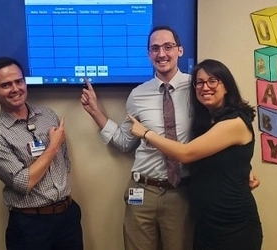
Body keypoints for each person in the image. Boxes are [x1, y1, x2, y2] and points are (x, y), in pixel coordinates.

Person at [128, 59, 263, 250]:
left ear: (226, 86)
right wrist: (245, 169)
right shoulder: (207, 123)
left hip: (233, 224)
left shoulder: (234, 123)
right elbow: (228, 159)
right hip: (206, 224)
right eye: (199, 82)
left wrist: (145, 133)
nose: (205, 87)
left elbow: (185, 153)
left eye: (213, 81)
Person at [81, 25, 194, 250]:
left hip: (181, 192)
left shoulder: (196, 88)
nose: (162, 54)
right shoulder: (138, 94)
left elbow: (213, 133)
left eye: (168, 47)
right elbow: (124, 142)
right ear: (148, 54)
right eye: (155, 48)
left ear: (180, 50)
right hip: (142, 191)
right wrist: (95, 111)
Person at [0, 57, 83, 250]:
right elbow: (23, 183)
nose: (15, 89)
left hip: (67, 216)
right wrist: (52, 146)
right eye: (6, 85)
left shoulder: (48, 115)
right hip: (29, 224)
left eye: (19, 81)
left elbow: (64, 161)